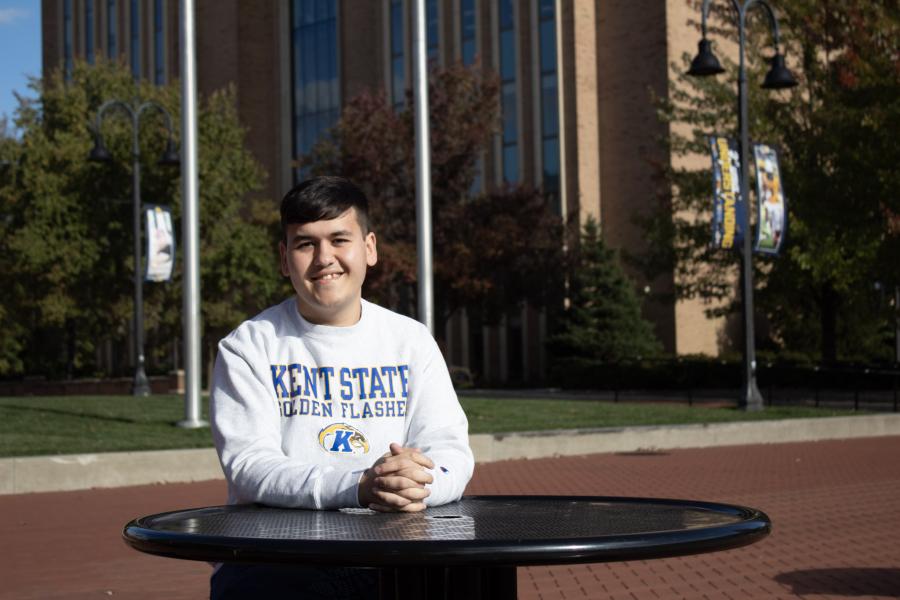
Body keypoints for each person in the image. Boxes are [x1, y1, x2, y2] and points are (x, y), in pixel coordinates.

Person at [209, 176, 474, 599]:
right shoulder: (249, 346)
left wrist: (418, 485)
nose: (324, 258)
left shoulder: (411, 340)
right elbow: (251, 466)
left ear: (369, 248)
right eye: (305, 244)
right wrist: (359, 487)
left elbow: (449, 450)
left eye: (339, 239)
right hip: (276, 559)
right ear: (284, 259)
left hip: (393, 549)